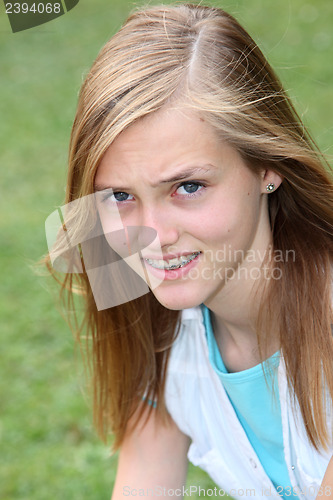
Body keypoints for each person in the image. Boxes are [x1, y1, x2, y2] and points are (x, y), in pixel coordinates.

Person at [45, 3, 333, 499]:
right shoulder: (156, 324)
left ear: (268, 166)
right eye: (120, 196)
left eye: (189, 186)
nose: (152, 235)